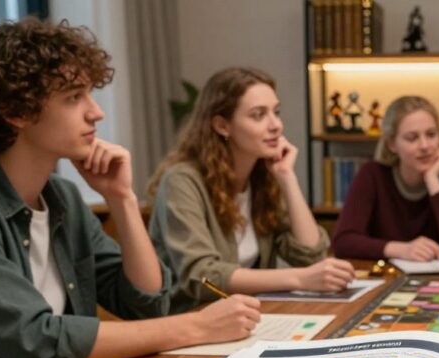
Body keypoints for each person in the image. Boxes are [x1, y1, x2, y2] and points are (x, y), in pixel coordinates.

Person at [0, 20, 260, 358]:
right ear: (14, 111)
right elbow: (39, 342)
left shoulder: (62, 198)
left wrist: (121, 199)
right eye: (74, 97)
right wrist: (197, 326)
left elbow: (144, 302)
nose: (97, 111)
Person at [149, 67, 353, 312]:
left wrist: (287, 178)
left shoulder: (263, 177)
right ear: (222, 126)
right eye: (258, 115)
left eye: (276, 113)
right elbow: (201, 276)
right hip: (191, 321)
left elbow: (312, 257)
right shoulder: (181, 181)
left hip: (249, 318)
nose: (276, 125)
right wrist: (299, 278)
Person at [332, 96, 439, 261]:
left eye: (431, 135)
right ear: (391, 144)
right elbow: (343, 242)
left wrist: (433, 182)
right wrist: (399, 249)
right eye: (412, 138)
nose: (425, 146)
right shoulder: (372, 175)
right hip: (386, 278)